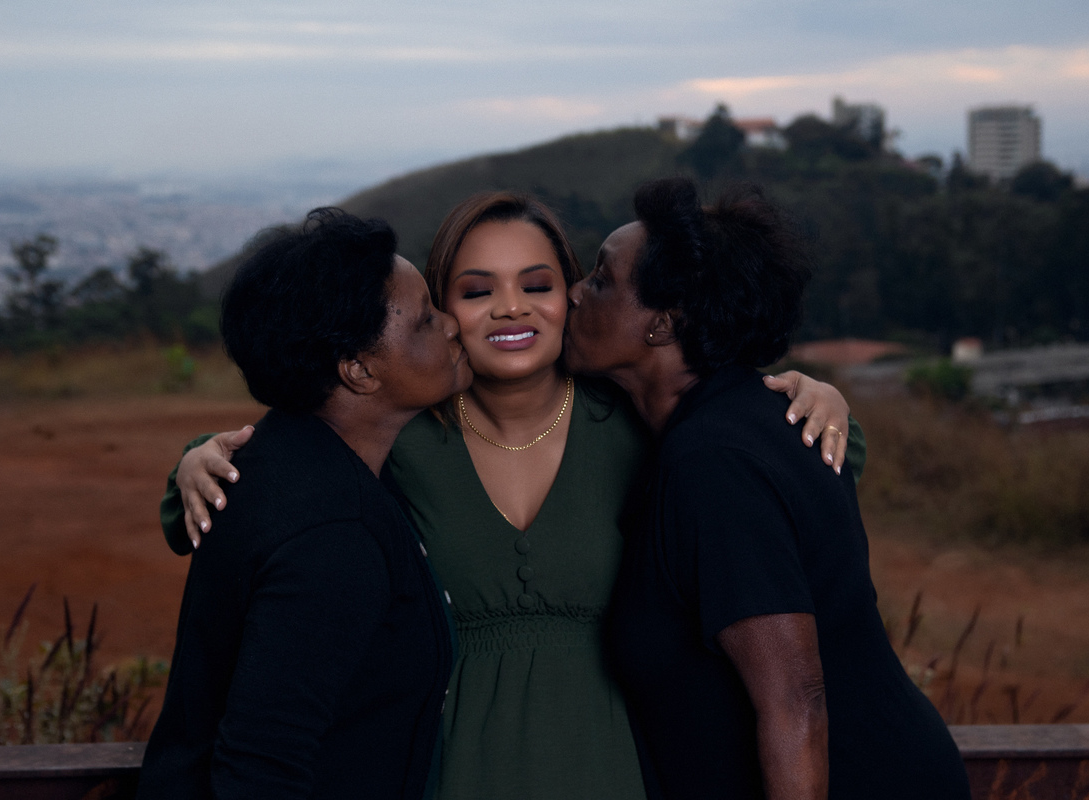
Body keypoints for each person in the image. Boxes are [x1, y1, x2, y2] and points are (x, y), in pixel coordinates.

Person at [161, 192, 863, 800]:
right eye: (474, 292)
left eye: (538, 283)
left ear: (573, 295)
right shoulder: (400, 436)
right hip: (445, 773)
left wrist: (820, 400)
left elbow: (771, 464)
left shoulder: (640, 427)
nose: (510, 307)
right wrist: (194, 461)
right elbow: (288, 466)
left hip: (617, 769)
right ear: (442, 309)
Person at [563, 177, 971, 800]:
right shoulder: (747, 419)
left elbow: (795, 701)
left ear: (663, 323)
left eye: (600, 280)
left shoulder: (714, 463)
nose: (573, 292)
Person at [138, 208, 471, 800]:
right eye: (425, 320)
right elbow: (261, 765)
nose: (451, 325)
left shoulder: (278, 459)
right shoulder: (333, 535)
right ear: (359, 369)